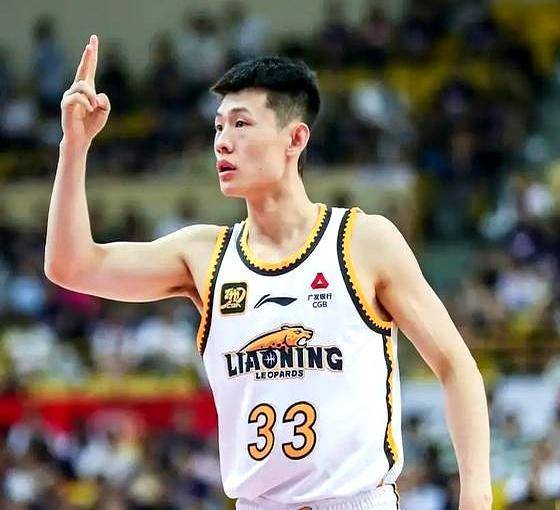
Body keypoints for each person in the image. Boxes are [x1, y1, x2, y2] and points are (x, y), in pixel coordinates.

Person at [45, 34, 492, 510]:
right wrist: (74, 146)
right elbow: (70, 266)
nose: (223, 142)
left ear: (295, 139)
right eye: (218, 127)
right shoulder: (203, 254)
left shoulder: (364, 241)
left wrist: (476, 495)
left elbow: (455, 365)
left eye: (241, 124)